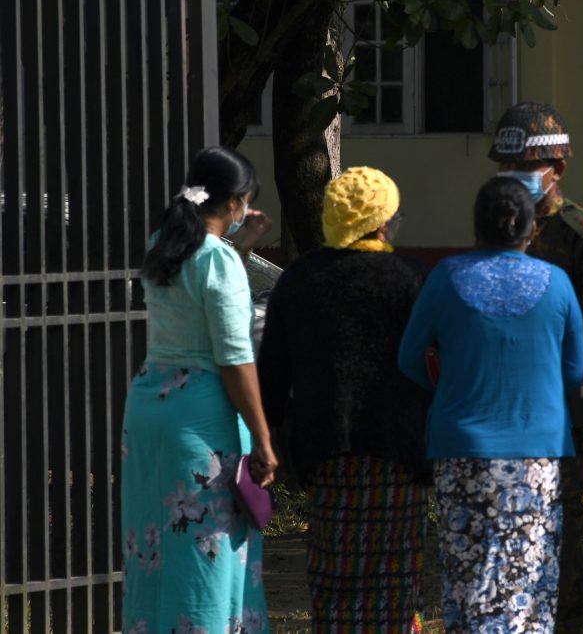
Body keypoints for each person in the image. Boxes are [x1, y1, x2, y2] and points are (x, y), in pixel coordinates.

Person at [398, 176, 583, 634]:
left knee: (469, 578)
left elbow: (409, 358)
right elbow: (575, 370)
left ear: (476, 225)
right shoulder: (557, 283)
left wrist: (448, 388)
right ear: (532, 229)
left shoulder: (446, 277)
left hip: (460, 449)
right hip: (536, 455)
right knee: (530, 578)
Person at [257, 166, 431, 633]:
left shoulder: (300, 280)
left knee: (336, 569)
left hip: (325, 450)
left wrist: (266, 438)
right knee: (395, 570)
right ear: (380, 222)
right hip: (399, 450)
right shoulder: (410, 277)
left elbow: (272, 369)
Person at [121, 146, 277, 634]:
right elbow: (234, 359)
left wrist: (241, 246)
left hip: (149, 409)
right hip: (201, 422)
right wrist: (265, 441)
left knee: (154, 549)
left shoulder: (162, 243)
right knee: (206, 555)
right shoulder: (218, 261)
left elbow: (199, 283)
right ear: (235, 203)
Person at [487, 101, 583, 634]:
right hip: (503, 399)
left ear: (558, 169)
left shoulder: (577, 232)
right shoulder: (497, 222)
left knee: (562, 511)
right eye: (508, 167)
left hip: (559, 398)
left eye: (526, 166)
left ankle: (568, 618)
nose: (515, 177)